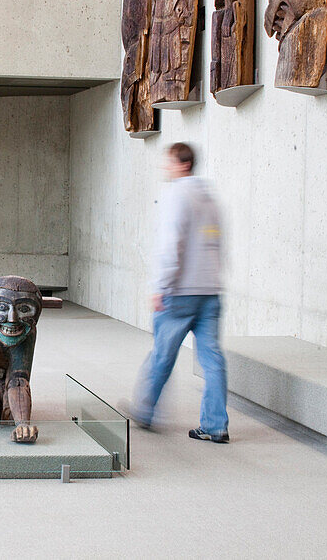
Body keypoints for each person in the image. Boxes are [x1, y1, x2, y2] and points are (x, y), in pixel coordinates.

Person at [130, 142, 229, 442]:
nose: (165, 167)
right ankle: (215, 426)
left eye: (169, 162)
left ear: (183, 164)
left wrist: (160, 287)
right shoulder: (209, 197)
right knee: (212, 359)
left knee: (162, 355)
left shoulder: (177, 195)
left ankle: (145, 412)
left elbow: (171, 245)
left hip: (180, 293)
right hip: (210, 291)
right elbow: (217, 243)